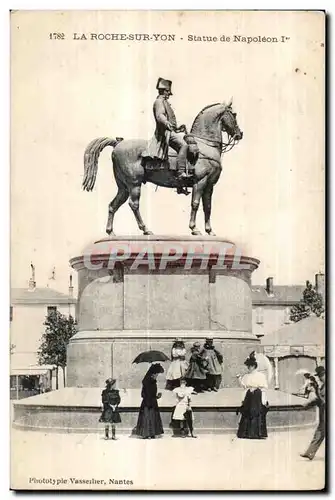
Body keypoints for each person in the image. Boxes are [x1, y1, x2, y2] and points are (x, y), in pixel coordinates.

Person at [142, 77, 196, 195]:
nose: (169, 95)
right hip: (164, 133)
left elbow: (169, 121)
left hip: (169, 131)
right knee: (184, 146)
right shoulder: (159, 102)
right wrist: (166, 123)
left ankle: (179, 185)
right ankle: (181, 173)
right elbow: (160, 115)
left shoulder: (164, 102)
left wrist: (177, 128)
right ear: (163, 90)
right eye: (167, 92)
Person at [236, 358, 269, 439]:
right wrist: (239, 379)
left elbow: (264, 387)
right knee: (247, 413)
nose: (248, 368)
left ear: (254, 366)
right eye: (248, 366)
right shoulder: (246, 376)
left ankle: (256, 433)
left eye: (250, 366)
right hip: (249, 396)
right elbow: (244, 386)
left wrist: (257, 390)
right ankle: (246, 433)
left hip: (257, 396)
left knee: (256, 413)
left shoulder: (260, 376)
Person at [300, 366, 326, 461]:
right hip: (323, 414)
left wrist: (316, 392)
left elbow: (323, 400)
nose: (319, 378)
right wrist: (308, 404)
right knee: (319, 433)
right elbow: (318, 400)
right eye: (319, 376)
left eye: (321, 375)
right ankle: (309, 453)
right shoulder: (322, 386)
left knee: (320, 433)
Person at [135, 363, 164, 439]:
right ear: (152, 373)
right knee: (147, 417)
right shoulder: (147, 381)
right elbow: (144, 394)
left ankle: (152, 433)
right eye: (156, 374)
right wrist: (151, 398)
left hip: (152, 402)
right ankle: (147, 433)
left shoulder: (153, 381)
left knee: (152, 417)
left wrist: (157, 396)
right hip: (147, 403)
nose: (157, 376)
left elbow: (152, 393)